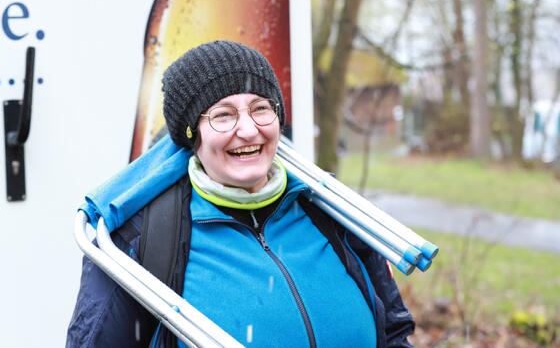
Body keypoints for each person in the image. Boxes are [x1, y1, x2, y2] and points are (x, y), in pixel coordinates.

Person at [66, 40, 415, 348]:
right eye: (223, 115)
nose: (248, 130)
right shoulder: (142, 239)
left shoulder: (329, 209)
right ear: (192, 134)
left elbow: (393, 331)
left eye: (261, 108)